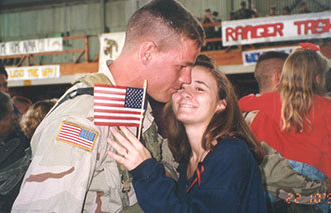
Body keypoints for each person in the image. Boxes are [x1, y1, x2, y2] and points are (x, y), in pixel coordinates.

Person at [12, 0, 204, 212]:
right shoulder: (81, 119)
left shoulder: (132, 101)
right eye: (181, 66)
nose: (187, 78)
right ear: (147, 52)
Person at [108, 55, 267, 212]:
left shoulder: (231, 153)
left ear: (221, 104)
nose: (186, 94)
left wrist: (145, 170)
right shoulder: (188, 160)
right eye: (181, 87)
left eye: (199, 88)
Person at [240, 46, 330, 212]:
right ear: (319, 79)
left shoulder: (270, 102)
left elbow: (243, 103)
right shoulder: (327, 106)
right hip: (316, 172)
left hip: (279, 180)